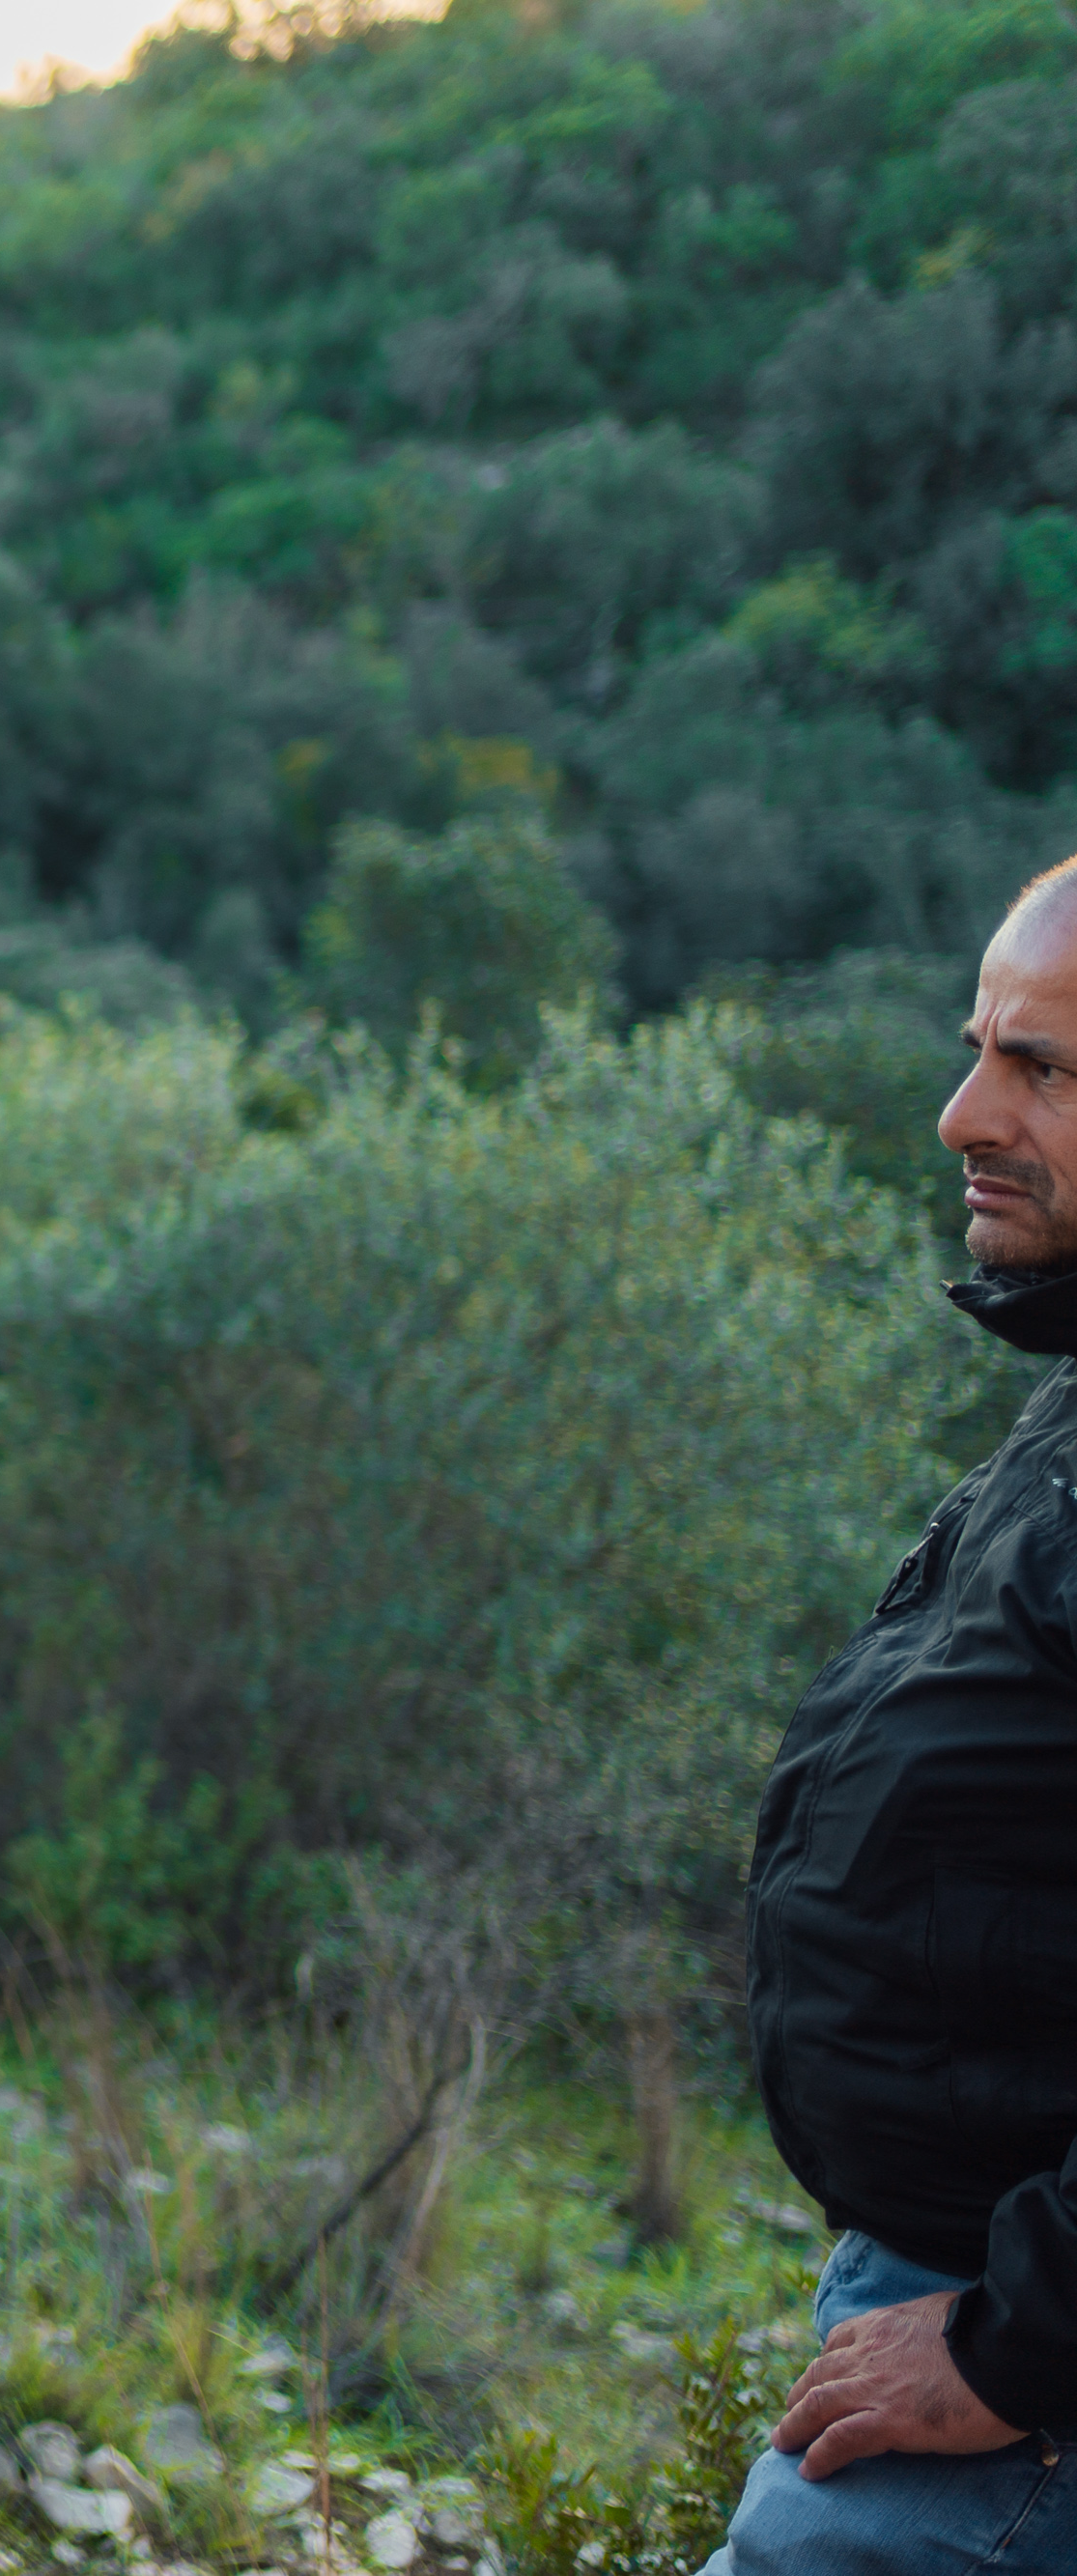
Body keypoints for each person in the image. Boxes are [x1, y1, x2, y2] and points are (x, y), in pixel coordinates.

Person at [714, 858, 1077, 2572]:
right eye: (980, 1049)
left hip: (1012, 2405)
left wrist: (1023, 2343)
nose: (962, 1115)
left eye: (1045, 1070)